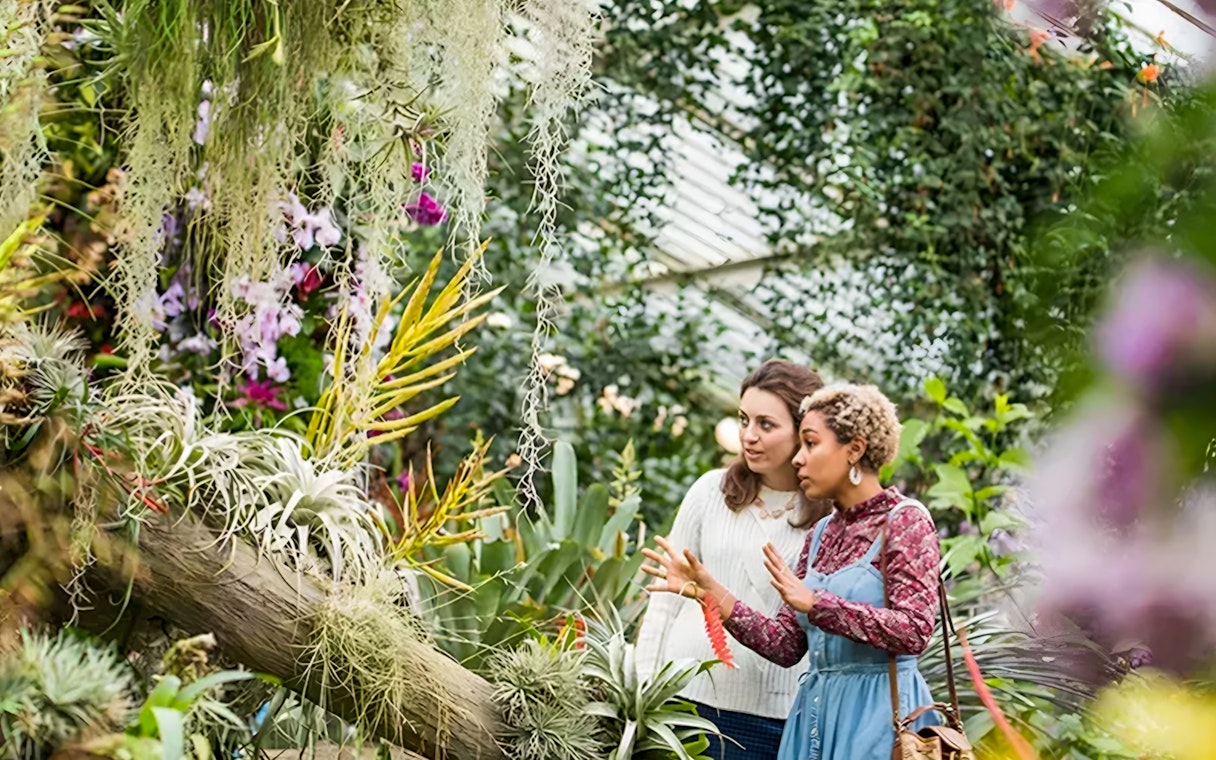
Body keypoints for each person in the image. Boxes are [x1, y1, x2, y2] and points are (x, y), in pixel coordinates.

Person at [642, 382, 943, 760]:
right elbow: (786, 646)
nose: (798, 459)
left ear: (855, 449)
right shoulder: (821, 533)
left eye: (811, 444)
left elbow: (915, 629)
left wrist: (818, 604)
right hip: (815, 716)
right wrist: (712, 594)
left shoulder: (906, 521)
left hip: (879, 717)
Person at [635, 359, 830, 759]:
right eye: (744, 420)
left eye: (766, 424)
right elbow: (664, 602)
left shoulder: (828, 519)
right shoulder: (710, 491)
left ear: (803, 432)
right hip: (681, 701)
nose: (749, 436)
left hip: (770, 720)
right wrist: (643, 687)